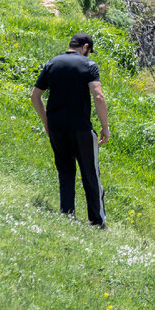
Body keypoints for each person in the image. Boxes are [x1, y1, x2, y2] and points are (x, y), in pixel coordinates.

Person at [30, 33, 110, 229]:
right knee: (90, 173)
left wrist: (46, 121)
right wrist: (105, 127)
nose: (89, 55)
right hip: (81, 128)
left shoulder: (52, 63)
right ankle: (97, 221)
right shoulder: (88, 65)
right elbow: (98, 96)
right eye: (89, 52)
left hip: (57, 127)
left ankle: (67, 215)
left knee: (65, 171)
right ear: (85, 47)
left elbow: (35, 96)